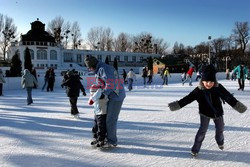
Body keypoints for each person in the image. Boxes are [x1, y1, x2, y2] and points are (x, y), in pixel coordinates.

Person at [168, 65, 247, 157]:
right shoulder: (198, 90)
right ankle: (195, 149)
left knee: (220, 129)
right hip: (204, 113)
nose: (208, 84)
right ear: (202, 81)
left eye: (211, 81)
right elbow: (187, 99)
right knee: (202, 131)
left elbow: (228, 97)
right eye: (206, 81)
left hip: (217, 113)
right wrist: (177, 105)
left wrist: (238, 106)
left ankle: (220, 142)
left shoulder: (218, 88)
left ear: (214, 81)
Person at [84, 55, 126, 148]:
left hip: (116, 96)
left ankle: (112, 141)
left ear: (92, 65)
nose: (89, 69)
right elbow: (101, 82)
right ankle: (104, 137)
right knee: (103, 117)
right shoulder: (99, 69)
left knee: (110, 119)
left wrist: (104, 93)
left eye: (89, 67)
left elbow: (111, 83)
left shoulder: (104, 69)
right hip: (109, 96)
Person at [88, 83, 108, 148]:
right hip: (96, 113)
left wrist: (98, 92)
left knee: (101, 127)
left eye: (93, 92)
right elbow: (92, 100)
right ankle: (96, 138)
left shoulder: (102, 95)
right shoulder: (94, 96)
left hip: (102, 113)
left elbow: (99, 95)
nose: (92, 94)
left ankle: (101, 139)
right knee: (95, 127)